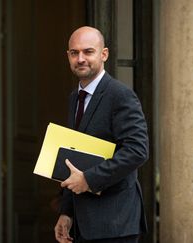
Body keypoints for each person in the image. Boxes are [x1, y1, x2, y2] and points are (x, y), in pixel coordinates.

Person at [54, 26, 149, 243]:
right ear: (68, 56)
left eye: (88, 52)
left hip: (115, 223)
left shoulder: (121, 95)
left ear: (103, 54)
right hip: (83, 223)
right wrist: (67, 212)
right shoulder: (74, 98)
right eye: (74, 53)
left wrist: (89, 179)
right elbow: (73, 156)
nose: (80, 59)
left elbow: (137, 151)